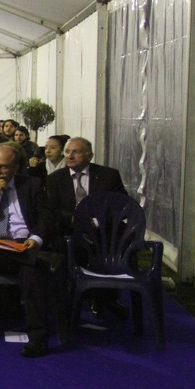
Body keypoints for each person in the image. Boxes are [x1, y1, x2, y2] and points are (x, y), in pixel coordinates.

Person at [0, 143, 56, 358]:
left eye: (4, 166)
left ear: (16, 168)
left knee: (31, 271)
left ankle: (37, 338)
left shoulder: (33, 185)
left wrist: (35, 239)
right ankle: (36, 259)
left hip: (25, 244)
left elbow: (47, 219)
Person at [42, 136, 127, 319]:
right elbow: (52, 209)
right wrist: (74, 219)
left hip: (103, 230)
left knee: (110, 246)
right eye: (67, 152)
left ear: (89, 155)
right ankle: (74, 297)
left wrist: (96, 222)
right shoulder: (55, 179)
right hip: (71, 231)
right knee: (63, 247)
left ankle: (104, 297)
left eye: (76, 152)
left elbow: (120, 205)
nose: (70, 156)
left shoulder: (108, 176)